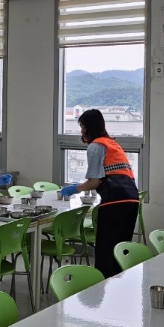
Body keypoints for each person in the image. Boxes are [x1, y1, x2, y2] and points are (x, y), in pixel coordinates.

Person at [60, 108, 139, 277]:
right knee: (121, 251)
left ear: (89, 127)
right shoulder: (112, 143)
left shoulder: (96, 146)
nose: (82, 131)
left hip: (114, 202)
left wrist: (75, 189)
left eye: (83, 127)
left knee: (105, 251)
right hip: (132, 200)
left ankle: (103, 288)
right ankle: (119, 286)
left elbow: (94, 181)